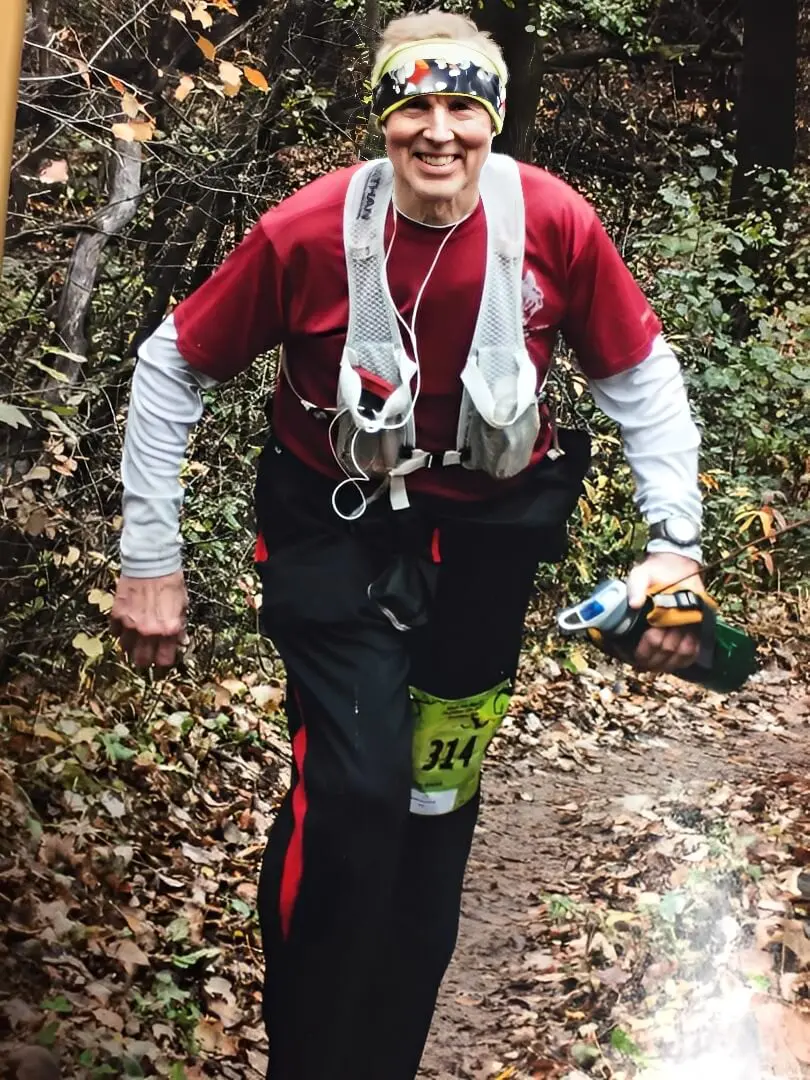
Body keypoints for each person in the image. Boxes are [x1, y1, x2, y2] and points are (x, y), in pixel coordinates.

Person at [111, 10, 705, 1079]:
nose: (439, 133)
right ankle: (310, 1055)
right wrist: (151, 560)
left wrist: (676, 548)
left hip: (486, 546)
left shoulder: (552, 223)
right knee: (360, 791)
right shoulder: (311, 230)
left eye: (463, 107)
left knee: (436, 804)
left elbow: (640, 379)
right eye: (413, 108)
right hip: (331, 535)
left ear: (496, 116)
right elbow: (172, 366)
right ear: (383, 120)